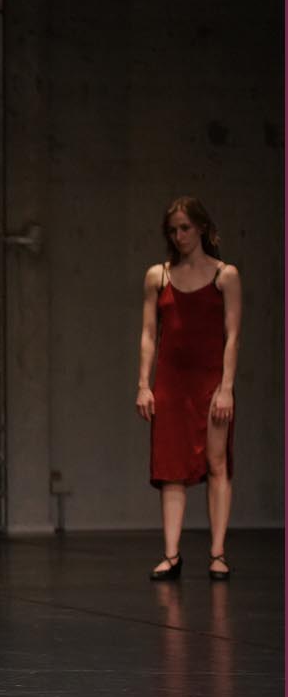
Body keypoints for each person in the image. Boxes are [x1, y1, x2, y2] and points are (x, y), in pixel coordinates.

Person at [136, 197, 240, 581]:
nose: (179, 236)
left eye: (185, 228)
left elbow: (232, 336)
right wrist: (143, 384)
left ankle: (217, 553)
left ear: (201, 228)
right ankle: (171, 554)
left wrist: (226, 387)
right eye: (173, 230)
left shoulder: (224, 276)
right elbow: (149, 334)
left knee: (216, 462)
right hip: (171, 381)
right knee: (171, 468)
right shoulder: (158, 276)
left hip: (210, 381)